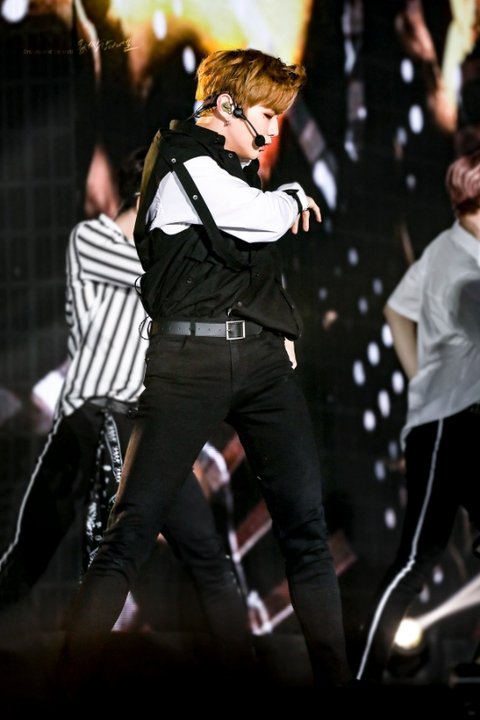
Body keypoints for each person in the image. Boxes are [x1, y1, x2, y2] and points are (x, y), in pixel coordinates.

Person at [58, 47, 353, 694]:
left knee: (305, 528)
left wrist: (279, 333)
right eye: (265, 117)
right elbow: (259, 220)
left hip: (260, 364)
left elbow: (250, 264)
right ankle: (61, 687)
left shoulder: (231, 169)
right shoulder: (181, 162)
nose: (272, 133)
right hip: (188, 364)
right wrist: (291, 197)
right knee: (129, 534)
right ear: (225, 107)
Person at [0, 148, 252, 671]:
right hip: (92, 421)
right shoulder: (93, 240)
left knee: (206, 556)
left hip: (150, 429)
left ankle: (247, 667)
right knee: (36, 555)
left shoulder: (170, 253)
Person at [356, 149, 480, 684]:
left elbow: (395, 308)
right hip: (451, 426)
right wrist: (427, 387)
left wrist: (420, 380)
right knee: (416, 560)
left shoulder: (447, 247)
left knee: (419, 558)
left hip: (453, 418)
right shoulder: (461, 265)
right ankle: (362, 674)